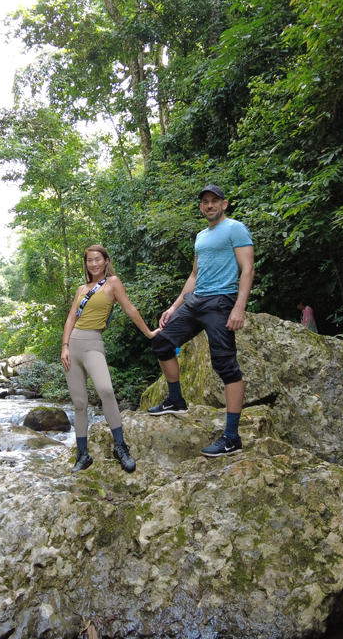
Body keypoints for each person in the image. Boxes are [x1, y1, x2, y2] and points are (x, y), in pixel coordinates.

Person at [148, 185, 255, 458]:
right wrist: (174, 307)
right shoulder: (200, 236)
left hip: (221, 302)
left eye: (214, 201)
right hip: (195, 301)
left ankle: (232, 437)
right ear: (201, 207)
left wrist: (239, 307)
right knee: (161, 342)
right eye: (205, 202)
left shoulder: (235, 229)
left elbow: (247, 269)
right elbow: (194, 276)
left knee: (226, 367)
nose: (209, 205)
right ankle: (176, 399)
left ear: (224, 204)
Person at [62, 245, 161, 474]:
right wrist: (64, 346)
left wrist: (148, 332)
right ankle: (82, 454)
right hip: (73, 347)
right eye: (89, 260)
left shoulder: (113, 283)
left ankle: (120, 447)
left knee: (106, 390)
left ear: (106, 261)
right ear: (86, 263)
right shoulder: (80, 289)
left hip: (93, 344)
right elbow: (69, 320)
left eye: (98, 259)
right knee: (79, 403)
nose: (94, 264)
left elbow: (130, 309)